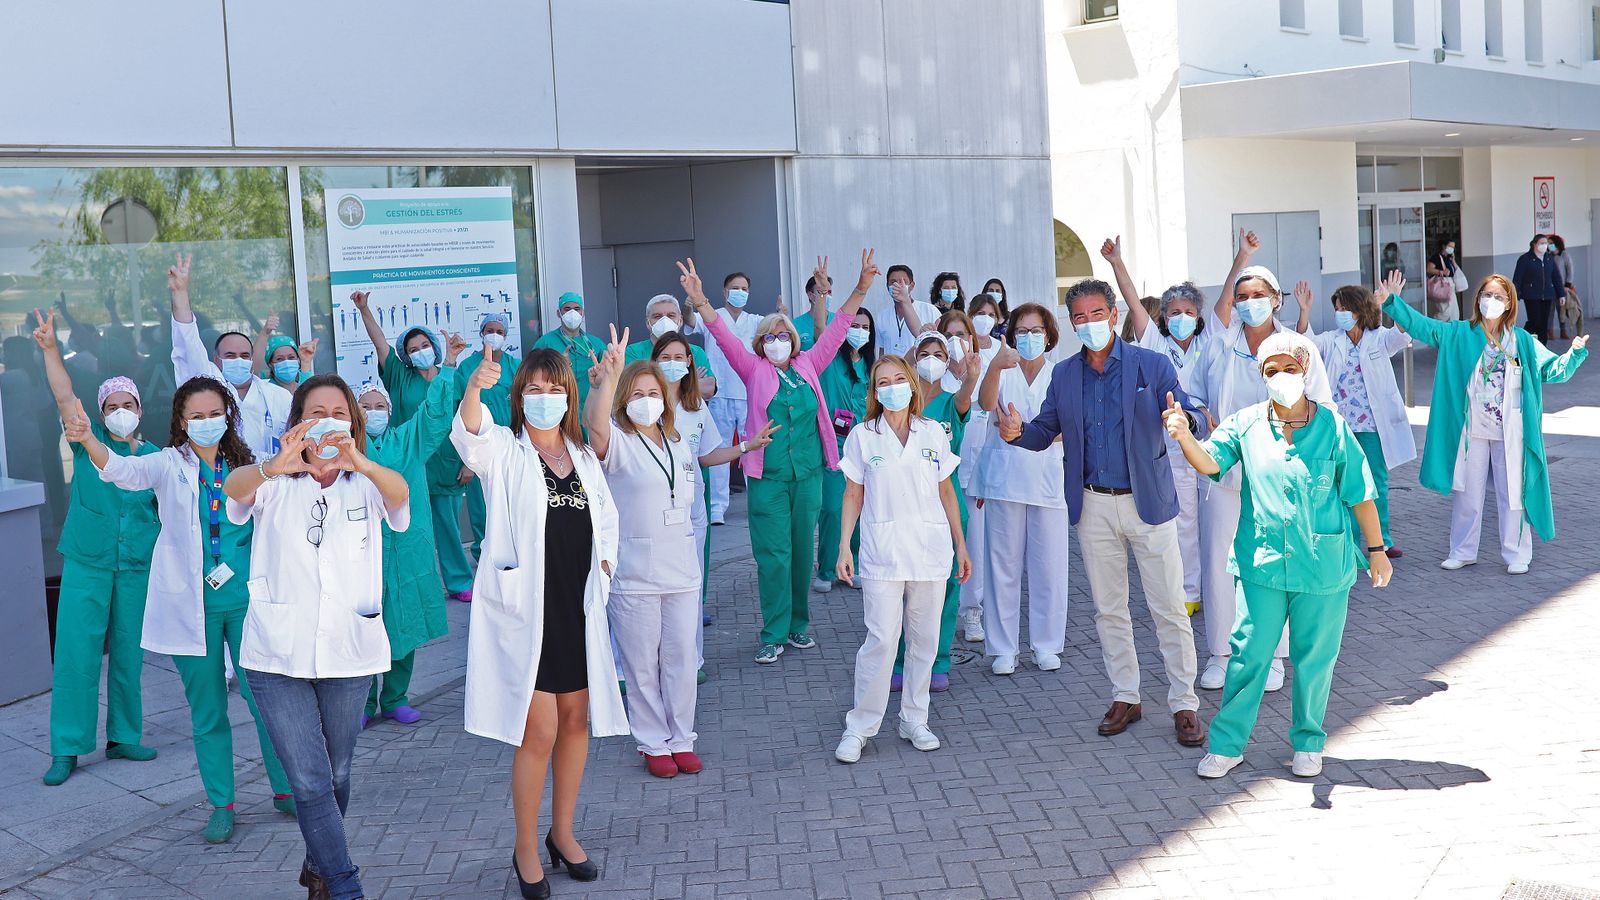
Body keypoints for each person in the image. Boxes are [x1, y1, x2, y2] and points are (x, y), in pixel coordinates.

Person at [1165, 334, 1392, 779]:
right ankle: (1228, 744)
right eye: (1271, 371)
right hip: (1262, 563)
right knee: (1249, 655)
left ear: (1305, 371)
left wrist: (1377, 550)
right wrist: (1182, 434)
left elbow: (1360, 493)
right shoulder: (1246, 423)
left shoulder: (1333, 426)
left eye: (1289, 369)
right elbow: (1210, 462)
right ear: (1261, 377)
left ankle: (1309, 741)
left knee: (1315, 658)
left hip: (1322, 564)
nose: (1281, 378)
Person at [79, 376, 294, 843]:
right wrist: (88, 439)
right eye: (195, 416)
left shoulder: (251, 463)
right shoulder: (164, 464)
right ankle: (222, 803)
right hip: (190, 606)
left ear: (229, 416)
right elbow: (120, 471)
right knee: (209, 711)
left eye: (214, 414)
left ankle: (284, 790)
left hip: (248, 603)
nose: (206, 423)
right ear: (180, 420)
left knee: (268, 704)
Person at [222, 376, 411, 900]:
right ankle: (345, 886)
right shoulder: (276, 479)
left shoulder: (367, 481)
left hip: (350, 649)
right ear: (297, 422)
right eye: (315, 411)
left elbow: (400, 497)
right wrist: (271, 467)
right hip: (277, 653)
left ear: (351, 421)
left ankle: (318, 867)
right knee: (308, 779)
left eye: (338, 411)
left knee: (339, 772)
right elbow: (234, 491)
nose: (327, 419)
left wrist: (362, 461)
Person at [996, 282, 1208, 746]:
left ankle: (1184, 701)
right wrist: (1017, 433)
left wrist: (1185, 422)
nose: (1089, 323)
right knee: (1109, 610)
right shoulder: (1065, 375)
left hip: (1147, 503)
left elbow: (1191, 411)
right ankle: (1126, 695)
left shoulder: (1150, 365)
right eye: (1079, 317)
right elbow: (1046, 430)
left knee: (1169, 607)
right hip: (1092, 503)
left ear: (1113, 314)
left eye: (1097, 313)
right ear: (1071, 323)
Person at [452, 346, 627, 897]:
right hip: (527, 609)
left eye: (556, 390)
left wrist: (604, 565)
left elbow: (608, 519)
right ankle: (526, 845)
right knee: (540, 728)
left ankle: (564, 833)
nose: (545, 399)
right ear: (519, 396)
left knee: (576, 719)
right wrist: (474, 386)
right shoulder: (506, 450)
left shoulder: (583, 455)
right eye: (535, 389)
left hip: (577, 606)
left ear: (568, 397)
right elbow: (471, 435)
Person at [684, 252, 880, 665]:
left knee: (801, 553)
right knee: (774, 556)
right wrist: (701, 301)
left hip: (807, 474)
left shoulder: (809, 363)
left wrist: (860, 287)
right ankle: (773, 632)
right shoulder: (753, 368)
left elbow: (838, 328)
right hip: (768, 478)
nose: (777, 342)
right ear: (761, 344)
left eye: (783, 335)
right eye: (770, 337)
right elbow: (722, 334)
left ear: (794, 340)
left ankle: (798, 626)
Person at [1382, 275, 1589, 575]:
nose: (1489, 300)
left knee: (1512, 494)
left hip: (1511, 432)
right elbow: (1423, 326)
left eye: (1497, 296)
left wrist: (1574, 354)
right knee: (1467, 493)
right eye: (1485, 294)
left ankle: (1517, 554)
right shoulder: (1459, 334)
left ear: (1508, 305)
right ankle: (1462, 550)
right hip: (1472, 430)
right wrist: (1392, 303)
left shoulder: (1523, 342)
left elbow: (1553, 371)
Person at [1196, 248, 1333, 693]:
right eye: (1242, 295)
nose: (1249, 302)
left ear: (1277, 299)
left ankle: (1272, 656)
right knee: (1218, 561)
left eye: (1259, 294)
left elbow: (1325, 408)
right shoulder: (1218, 343)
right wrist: (1202, 421)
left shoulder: (1300, 347)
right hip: (1225, 466)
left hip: (1280, 471)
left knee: (1274, 561)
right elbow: (1193, 394)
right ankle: (1220, 652)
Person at [33, 312, 160, 786]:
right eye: (112, 405)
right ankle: (67, 746)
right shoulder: (87, 442)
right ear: (102, 413)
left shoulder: (154, 460)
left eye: (129, 403)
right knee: (77, 653)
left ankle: (125, 735)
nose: (120, 411)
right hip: (88, 561)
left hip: (135, 565)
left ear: (140, 410)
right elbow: (65, 396)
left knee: (129, 653)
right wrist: (50, 350)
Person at [585, 336, 716, 779]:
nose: (646, 401)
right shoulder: (618, 442)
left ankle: (682, 738)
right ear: (625, 399)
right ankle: (652, 741)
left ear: (666, 398)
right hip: (635, 574)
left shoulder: (677, 442)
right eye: (637, 394)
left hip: (682, 571)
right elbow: (593, 425)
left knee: (681, 659)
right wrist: (606, 379)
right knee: (642, 664)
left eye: (653, 393)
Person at [833, 355, 971, 764]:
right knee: (881, 640)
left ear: (911, 384)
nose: (891, 387)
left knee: (925, 640)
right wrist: (844, 545)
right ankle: (860, 726)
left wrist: (961, 544)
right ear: (875, 391)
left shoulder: (933, 432)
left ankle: (914, 718)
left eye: (898, 379)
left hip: (930, 549)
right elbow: (853, 493)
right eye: (883, 381)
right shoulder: (862, 435)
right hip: (882, 553)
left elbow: (948, 492)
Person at [650, 334, 777, 679]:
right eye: (667, 355)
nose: (674, 362)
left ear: (690, 363)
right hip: (648, 512)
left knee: (691, 584)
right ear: (655, 359)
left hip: (690, 508)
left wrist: (747, 447)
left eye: (681, 356)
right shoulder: (643, 402)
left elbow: (707, 455)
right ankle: (648, 662)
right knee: (652, 589)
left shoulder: (695, 406)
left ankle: (692, 661)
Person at [1102, 236, 1216, 617]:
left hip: (1210, 445)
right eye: (1173, 312)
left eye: (1187, 310)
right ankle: (1189, 593)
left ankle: (1217, 588)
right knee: (1183, 524)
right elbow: (1134, 303)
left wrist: (1242, 257)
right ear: (1163, 317)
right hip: (1172, 450)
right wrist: (1117, 262)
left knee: (1213, 523)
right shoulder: (1154, 343)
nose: (1180, 317)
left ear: (1198, 314)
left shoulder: (1211, 341)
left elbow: (1230, 300)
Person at [351, 289, 476, 602]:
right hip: (406, 463)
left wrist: (469, 461)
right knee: (406, 527)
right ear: (405, 355)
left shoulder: (452, 377)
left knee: (448, 526)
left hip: (448, 462)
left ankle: (459, 581)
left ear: (434, 347)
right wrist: (364, 309)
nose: (419, 351)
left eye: (424, 345)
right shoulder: (399, 376)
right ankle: (407, 585)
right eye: (412, 348)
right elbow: (379, 343)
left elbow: (468, 417)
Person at [356, 370, 462, 727]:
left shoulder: (408, 440)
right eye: (365, 407)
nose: (373, 412)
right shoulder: (348, 448)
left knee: (405, 623)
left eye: (379, 405)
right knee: (363, 626)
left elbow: (433, 416)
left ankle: (396, 697)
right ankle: (363, 703)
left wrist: (445, 368)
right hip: (363, 552)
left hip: (407, 548)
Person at [975, 302, 1072, 676]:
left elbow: (1071, 426)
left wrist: (1033, 433)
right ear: (1011, 335)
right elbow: (985, 404)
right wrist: (997, 366)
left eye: (1037, 331)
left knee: (1049, 566)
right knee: (1003, 566)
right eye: (1022, 331)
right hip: (1005, 479)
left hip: (1049, 480)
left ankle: (1046, 644)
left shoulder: (1061, 374)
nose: (1029, 338)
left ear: (1048, 336)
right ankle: (1002, 647)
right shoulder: (1000, 367)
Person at [1295, 273, 1414, 557]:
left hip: (1374, 426)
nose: (1339, 314)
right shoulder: (1332, 340)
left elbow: (1404, 334)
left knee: (1375, 481)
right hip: (1341, 427)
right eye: (1336, 309)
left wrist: (1394, 301)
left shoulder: (1379, 338)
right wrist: (1304, 311)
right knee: (1343, 483)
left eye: (1343, 309)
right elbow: (1305, 344)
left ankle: (1382, 539)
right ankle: (1349, 542)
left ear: (1359, 310)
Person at [891, 331, 979, 693]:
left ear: (947, 361)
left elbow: (965, 395)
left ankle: (938, 661)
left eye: (937, 353)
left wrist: (972, 375)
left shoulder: (950, 403)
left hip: (946, 508)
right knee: (901, 591)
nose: (930, 359)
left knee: (944, 588)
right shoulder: (899, 403)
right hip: (903, 507)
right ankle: (899, 661)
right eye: (923, 352)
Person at [166, 253, 292, 459]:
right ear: (217, 360)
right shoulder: (208, 381)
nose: (239, 360)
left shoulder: (278, 396)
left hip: (271, 484)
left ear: (252, 360)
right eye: (230, 355)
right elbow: (187, 341)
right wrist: (180, 293)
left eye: (244, 355)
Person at [944, 302, 1003, 643]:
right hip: (940, 477)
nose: (956, 341)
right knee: (942, 544)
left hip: (975, 475)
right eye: (949, 335)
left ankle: (973, 610)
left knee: (974, 546)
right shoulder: (932, 376)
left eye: (961, 335)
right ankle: (941, 610)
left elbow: (992, 424)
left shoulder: (981, 374)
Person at [813, 306, 875, 594]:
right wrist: (823, 296)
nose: (859, 331)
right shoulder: (829, 361)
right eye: (855, 325)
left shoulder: (872, 365)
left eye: (865, 327)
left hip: (865, 444)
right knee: (831, 508)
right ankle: (827, 568)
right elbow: (820, 330)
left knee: (861, 507)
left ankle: (854, 564)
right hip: (833, 445)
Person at [703, 273, 762, 529]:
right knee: (720, 449)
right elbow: (690, 320)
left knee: (752, 447)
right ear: (725, 291)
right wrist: (693, 300)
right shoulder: (712, 317)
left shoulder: (756, 320)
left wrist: (783, 311)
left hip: (748, 392)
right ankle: (717, 507)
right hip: (720, 393)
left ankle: (757, 504)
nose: (740, 292)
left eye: (744, 288)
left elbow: (777, 327)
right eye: (735, 288)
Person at [460, 312, 519, 558]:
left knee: (512, 505)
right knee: (481, 508)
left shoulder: (515, 366)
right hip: (479, 445)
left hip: (511, 444)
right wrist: (467, 461)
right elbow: (459, 410)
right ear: (482, 333)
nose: (495, 335)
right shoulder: (467, 368)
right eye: (490, 330)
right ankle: (482, 556)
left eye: (500, 332)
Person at [532, 292, 607, 411]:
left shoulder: (596, 344)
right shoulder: (546, 343)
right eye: (567, 309)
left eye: (577, 309)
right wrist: (558, 368)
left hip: (589, 408)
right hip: (557, 408)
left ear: (583, 313)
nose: (572, 313)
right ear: (559, 313)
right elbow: (532, 375)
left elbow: (610, 375)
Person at [874, 265, 939, 357]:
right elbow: (881, 349)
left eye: (903, 282)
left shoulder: (929, 310)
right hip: (892, 369)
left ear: (912, 286)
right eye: (893, 282)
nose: (897, 285)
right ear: (887, 286)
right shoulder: (882, 316)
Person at [1512, 234, 1563, 344]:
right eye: (1542, 243)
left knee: (1544, 323)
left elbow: (1556, 277)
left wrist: (1561, 294)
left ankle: (1542, 346)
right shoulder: (1525, 259)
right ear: (1534, 244)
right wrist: (1515, 294)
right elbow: (1518, 278)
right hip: (1531, 295)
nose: (1544, 246)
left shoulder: (1549, 258)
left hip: (1548, 295)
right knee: (1535, 320)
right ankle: (1521, 340)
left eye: (1546, 243)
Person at [251, 318, 315, 389]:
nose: (286, 362)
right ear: (270, 364)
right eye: (279, 359)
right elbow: (253, 368)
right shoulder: (264, 387)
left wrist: (305, 362)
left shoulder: (303, 385)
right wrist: (265, 332)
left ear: (298, 360)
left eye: (291, 357)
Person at [793, 271, 843, 351]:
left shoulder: (838, 320)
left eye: (829, 292)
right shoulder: (796, 324)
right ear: (810, 295)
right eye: (821, 291)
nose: (826, 295)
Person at [1549, 234, 1583, 340]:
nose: (1549, 245)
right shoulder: (1548, 256)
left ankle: (1563, 331)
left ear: (1556, 243)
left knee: (1562, 311)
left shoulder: (1564, 255)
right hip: (1550, 288)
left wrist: (1568, 285)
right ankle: (1550, 332)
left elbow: (1570, 270)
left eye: (1551, 243)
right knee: (1550, 311)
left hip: (1562, 288)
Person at [1426, 240, 1463, 322]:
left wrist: (1453, 260)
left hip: (1450, 288)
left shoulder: (1449, 258)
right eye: (1450, 246)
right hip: (1442, 287)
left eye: (1453, 247)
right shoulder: (1437, 257)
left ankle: (1450, 331)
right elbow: (1429, 269)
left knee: (1454, 312)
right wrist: (1440, 272)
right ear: (1444, 246)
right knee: (1445, 312)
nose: (1452, 249)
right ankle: (1433, 326)